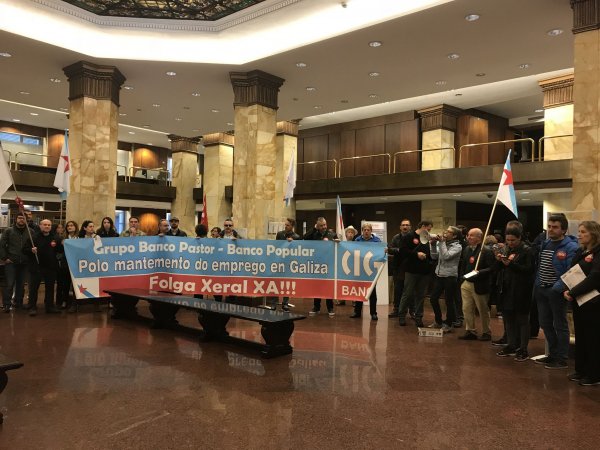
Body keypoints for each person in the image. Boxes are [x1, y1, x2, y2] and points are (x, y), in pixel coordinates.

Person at [533, 214, 578, 370]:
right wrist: (538, 284)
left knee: (560, 325)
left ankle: (561, 358)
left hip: (556, 291)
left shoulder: (571, 247)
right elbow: (540, 266)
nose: (551, 229)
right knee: (545, 323)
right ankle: (552, 354)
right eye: (549, 226)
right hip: (541, 289)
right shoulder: (545, 244)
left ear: (563, 229)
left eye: (555, 227)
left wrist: (556, 288)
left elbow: (570, 271)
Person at [564, 221, 600, 386]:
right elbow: (572, 271)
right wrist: (567, 289)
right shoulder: (580, 251)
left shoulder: (598, 252)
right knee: (581, 336)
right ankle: (581, 369)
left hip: (594, 301)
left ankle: (594, 374)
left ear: (594, 233)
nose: (579, 234)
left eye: (583, 232)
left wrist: (573, 292)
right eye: (579, 231)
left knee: (593, 338)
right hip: (579, 300)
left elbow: (595, 277)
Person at [493, 226, 535, 361]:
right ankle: (511, 345)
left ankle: (523, 348)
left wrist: (510, 264)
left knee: (522, 320)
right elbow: (499, 268)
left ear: (519, 238)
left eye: (513, 240)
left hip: (522, 290)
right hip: (507, 288)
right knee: (508, 318)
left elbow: (528, 270)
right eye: (508, 240)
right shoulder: (507, 249)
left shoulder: (527, 250)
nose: (510, 243)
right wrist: (499, 260)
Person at [458, 228, 495, 341]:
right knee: (466, 308)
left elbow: (492, 268)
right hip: (467, 283)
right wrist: (462, 278)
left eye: (471, 235)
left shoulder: (486, 251)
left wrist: (480, 272)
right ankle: (470, 330)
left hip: (480, 284)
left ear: (479, 238)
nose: (468, 237)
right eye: (468, 235)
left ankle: (486, 332)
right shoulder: (467, 249)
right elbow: (463, 265)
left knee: (483, 310)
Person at [23, 219, 63, 316]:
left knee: (50, 288)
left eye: (49, 225)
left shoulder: (55, 238)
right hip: (37, 266)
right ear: (40, 226)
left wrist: (62, 245)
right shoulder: (33, 237)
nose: (47, 226)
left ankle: (49, 307)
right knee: (34, 288)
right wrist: (31, 250)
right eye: (45, 225)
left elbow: (60, 250)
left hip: (51, 267)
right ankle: (32, 307)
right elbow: (24, 250)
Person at [397, 220, 433, 327]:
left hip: (424, 272)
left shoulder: (428, 238)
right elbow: (403, 251)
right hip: (411, 271)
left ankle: (418, 317)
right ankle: (401, 315)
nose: (429, 231)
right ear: (423, 226)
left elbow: (431, 254)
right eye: (428, 228)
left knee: (420, 296)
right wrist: (416, 254)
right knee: (407, 294)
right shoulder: (409, 236)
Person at [428, 226, 462, 332]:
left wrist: (441, 242)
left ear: (454, 236)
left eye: (448, 232)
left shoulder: (457, 247)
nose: (445, 233)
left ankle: (449, 323)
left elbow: (446, 256)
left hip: (450, 276)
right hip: (439, 275)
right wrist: (433, 245)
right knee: (433, 298)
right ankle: (438, 321)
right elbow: (434, 257)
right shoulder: (443, 243)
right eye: (446, 231)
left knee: (449, 301)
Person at [304, 217, 337, 317]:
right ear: (317, 226)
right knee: (317, 286)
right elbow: (304, 237)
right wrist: (314, 229)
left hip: (328, 264)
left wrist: (336, 242)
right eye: (321, 225)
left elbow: (338, 247)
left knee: (328, 286)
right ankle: (316, 307)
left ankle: (330, 308)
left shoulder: (332, 234)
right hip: (317, 264)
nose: (324, 227)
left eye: (325, 225)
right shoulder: (314, 234)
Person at [350, 223, 381, 321]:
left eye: (368, 230)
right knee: (359, 291)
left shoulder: (377, 241)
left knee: (372, 292)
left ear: (371, 231)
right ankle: (357, 312)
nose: (366, 232)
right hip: (360, 269)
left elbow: (380, 252)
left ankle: (373, 313)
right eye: (365, 230)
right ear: (362, 231)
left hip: (371, 269)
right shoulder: (357, 240)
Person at [0, 213, 30, 311]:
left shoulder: (30, 232)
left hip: (24, 263)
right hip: (11, 262)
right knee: (9, 284)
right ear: (16, 219)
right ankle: (6, 304)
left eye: (23, 218)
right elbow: (1, 245)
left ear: (26, 220)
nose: (21, 220)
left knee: (21, 285)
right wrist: (4, 258)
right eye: (19, 218)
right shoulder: (8, 231)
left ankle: (18, 302)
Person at [270, 218, 301, 311]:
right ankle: (274, 303)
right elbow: (276, 246)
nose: (286, 226)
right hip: (279, 261)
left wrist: (293, 242)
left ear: (292, 226)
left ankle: (285, 303)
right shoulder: (280, 234)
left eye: (288, 225)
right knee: (276, 282)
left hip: (288, 262)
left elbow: (298, 250)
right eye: (285, 225)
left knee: (287, 283)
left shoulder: (296, 237)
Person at [387, 219, 412, 318]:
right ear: (400, 227)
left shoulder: (414, 237)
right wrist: (400, 250)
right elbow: (390, 249)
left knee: (410, 290)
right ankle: (396, 309)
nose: (405, 227)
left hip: (410, 268)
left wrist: (400, 250)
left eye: (407, 225)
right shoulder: (396, 237)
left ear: (410, 227)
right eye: (403, 225)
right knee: (398, 289)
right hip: (398, 267)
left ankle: (412, 311)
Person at [63, 220, 79, 313]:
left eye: (72, 225)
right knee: (65, 284)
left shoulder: (79, 238)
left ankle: (74, 304)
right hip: (66, 265)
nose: (70, 227)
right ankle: (65, 301)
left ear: (75, 227)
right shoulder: (63, 238)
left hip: (76, 265)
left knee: (75, 286)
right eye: (68, 226)